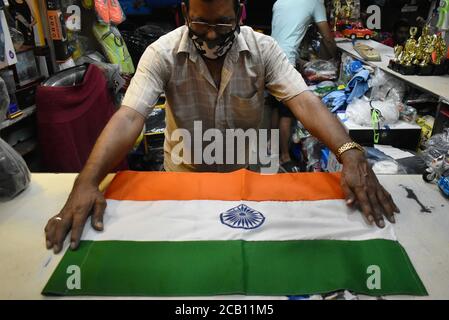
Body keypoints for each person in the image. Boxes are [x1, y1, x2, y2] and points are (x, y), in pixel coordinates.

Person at [45, 0, 399, 254]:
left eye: (223, 24)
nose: (211, 38)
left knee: (267, 262)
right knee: (188, 263)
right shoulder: (161, 53)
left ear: (240, 12)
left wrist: (351, 154)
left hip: (251, 178)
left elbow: (304, 100)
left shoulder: (264, 50)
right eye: (200, 24)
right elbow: (128, 116)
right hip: (186, 179)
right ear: (184, 12)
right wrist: (86, 181)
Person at [271, 0, 338, 172]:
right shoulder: (315, 2)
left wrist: (299, 61)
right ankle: (284, 157)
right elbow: (327, 39)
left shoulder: (280, 2)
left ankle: (271, 149)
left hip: (270, 57)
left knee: (276, 108)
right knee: (287, 113)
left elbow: (284, 34)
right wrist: (333, 61)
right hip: (285, 63)